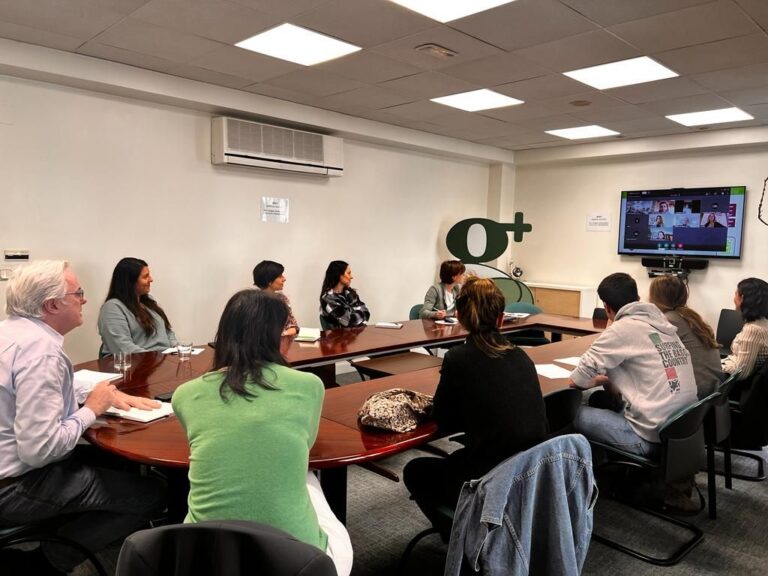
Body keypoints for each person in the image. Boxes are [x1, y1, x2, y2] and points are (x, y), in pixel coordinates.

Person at [0, 261, 166, 574]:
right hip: (13, 487)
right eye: (78, 293)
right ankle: (46, 562)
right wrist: (92, 408)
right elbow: (39, 451)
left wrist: (101, 394)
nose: (84, 299)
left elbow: (32, 388)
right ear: (52, 305)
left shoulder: (11, 332)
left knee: (112, 463)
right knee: (151, 494)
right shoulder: (42, 353)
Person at [172, 290, 352, 576]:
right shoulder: (309, 386)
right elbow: (305, 445)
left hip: (202, 556)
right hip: (298, 561)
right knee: (309, 481)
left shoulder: (183, 395)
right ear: (279, 335)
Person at [403, 277, 547, 532]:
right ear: (502, 319)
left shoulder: (458, 358)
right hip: (528, 473)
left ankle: (461, 539)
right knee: (459, 457)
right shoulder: (521, 355)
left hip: (490, 475)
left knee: (415, 469)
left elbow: (443, 419)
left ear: (459, 317)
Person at [569, 273, 697, 458]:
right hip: (680, 433)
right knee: (599, 399)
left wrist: (592, 380)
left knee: (570, 412)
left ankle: (590, 476)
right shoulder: (663, 325)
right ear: (637, 299)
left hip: (648, 438)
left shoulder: (622, 328)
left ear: (606, 307)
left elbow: (577, 380)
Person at [649, 275, 722, 399]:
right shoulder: (691, 317)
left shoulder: (667, 321)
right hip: (711, 386)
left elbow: (648, 355)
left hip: (694, 392)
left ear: (655, 298)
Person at [98, 257, 177, 355]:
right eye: (145, 277)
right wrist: (157, 359)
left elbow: (168, 333)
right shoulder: (112, 308)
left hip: (162, 361)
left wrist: (178, 349)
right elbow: (123, 348)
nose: (151, 279)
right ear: (130, 282)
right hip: (135, 366)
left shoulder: (149, 303)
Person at [722, 277, 768, 379]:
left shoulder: (753, 330)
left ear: (742, 298)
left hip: (738, 388)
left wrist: (719, 367)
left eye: (735, 294)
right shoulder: (763, 323)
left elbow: (741, 373)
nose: (733, 298)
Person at [252, 260, 299, 336]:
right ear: (269, 281)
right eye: (280, 276)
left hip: (281, 343)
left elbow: (294, 327)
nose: (284, 279)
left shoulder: (282, 299)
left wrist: (282, 334)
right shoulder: (253, 302)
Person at [319, 260, 370, 329]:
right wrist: (359, 315)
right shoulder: (328, 299)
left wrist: (356, 316)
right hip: (338, 338)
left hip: (354, 336)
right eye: (348, 273)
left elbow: (366, 312)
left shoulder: (349, 293)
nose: (351, 277)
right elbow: (349, 321)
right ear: (339, 275)